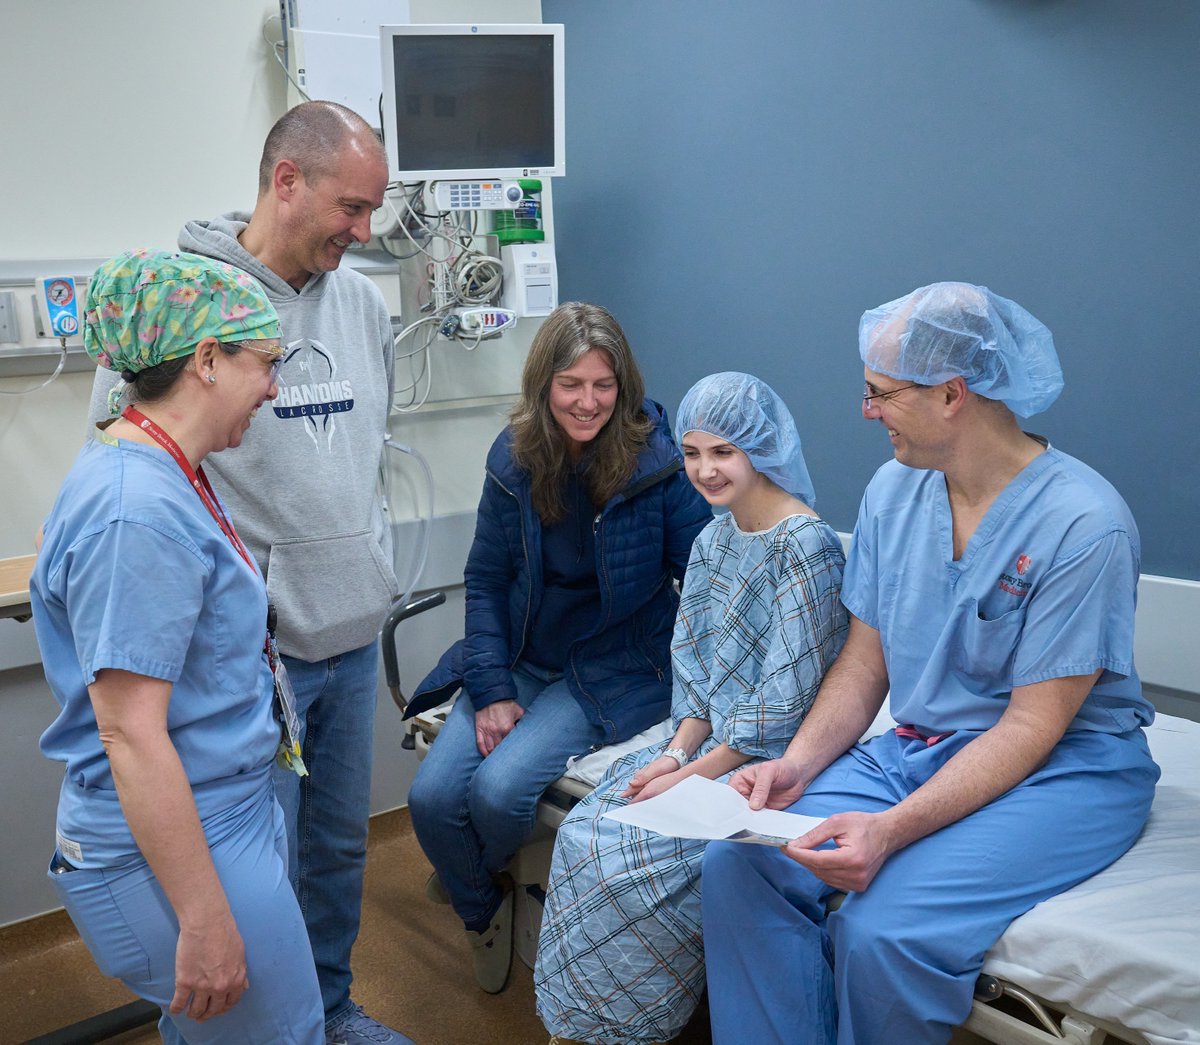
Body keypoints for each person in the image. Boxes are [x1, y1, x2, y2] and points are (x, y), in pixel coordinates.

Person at [700, 283, 1160, 1045]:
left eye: (881, 393)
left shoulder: (1084, 523)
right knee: (741, 861)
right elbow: (864, 661)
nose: (866, 410)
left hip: (1062, 769)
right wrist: (797, 764)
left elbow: (1033, 726)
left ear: (953, 394)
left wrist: (889, 829)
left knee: (884, 935)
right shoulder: (895, 490)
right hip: (919, 747)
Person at [89, 102, 408, 1045]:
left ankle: (331, 1010)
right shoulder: (189, 304)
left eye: (373, 211)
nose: (362, 231)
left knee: (339, 848)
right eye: (350, 207)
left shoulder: (358, 304)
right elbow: (137, 449)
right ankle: (247, 1027)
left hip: (352, 629)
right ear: (285, 181)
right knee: (247, 874)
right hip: (252, 655)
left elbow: (368, 456)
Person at [33, 249, 325, 1042]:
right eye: (265, 363)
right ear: (206, 360)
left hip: (220, 804)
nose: (273, 388)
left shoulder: (160, 470)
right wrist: (203, 917)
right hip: (181, 828)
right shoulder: (137, 509)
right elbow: (129, 730)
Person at [404, 302, 712, 994]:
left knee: (498, 792)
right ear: (545, 383)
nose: (588, 401)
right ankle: (484, 900)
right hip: (518, 655)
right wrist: (492, 688)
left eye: (604, 385)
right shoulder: (514, 459)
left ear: (623, 386)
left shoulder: (659, 466)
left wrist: (711, 692)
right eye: (572, 384)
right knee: (428, 798)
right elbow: (485, 578)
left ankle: (466, 876)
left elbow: (705, 581)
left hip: (609, 668)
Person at [534, 372, 849, 1044]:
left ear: (762, 449)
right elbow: (698, 677)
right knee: (585, 831)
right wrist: (675, 753)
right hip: (707, 750)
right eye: (693, 453)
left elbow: (781, 702)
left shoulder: (809, 548)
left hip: (771, 763)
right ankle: (578, 1030)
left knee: (629, 855)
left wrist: (685, 779)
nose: (705, 470)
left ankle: (626, 1029)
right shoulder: (713, 540)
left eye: (723, 453)